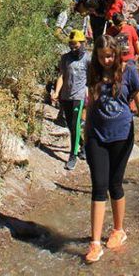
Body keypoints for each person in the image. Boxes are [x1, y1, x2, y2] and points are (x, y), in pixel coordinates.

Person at [83, 35, 139, 263]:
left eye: (109, 56)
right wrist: (85, 133)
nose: (106, 60)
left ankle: (118, 230)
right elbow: (91, 103)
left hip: (122, 134)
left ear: (117, 54)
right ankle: (95, 243)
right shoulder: (93, 71)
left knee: (114, 184)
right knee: (98, 186)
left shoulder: (128, 71)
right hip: (96, 135)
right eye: (102, 57)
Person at [50, 29, 91, 171]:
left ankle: (72, 156)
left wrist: (90, 93)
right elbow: (61, 75)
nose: (73, 47)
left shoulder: (88, 59)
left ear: (83, 43)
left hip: (78, 97)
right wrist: (56, 92)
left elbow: (91, 79)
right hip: (65, 96)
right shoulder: (65, 58)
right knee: (71, 125)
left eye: (76, 44)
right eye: (71, 44)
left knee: (75, 125)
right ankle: (83, 146)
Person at [106, 13, 139, 82]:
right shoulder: (110, 31)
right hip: (117, 61)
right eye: (116, 26)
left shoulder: (130, 29)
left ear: (124, 21)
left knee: (133, 79)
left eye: (121, 25)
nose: (119, 28)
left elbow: (136, 43)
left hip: (130, 59)